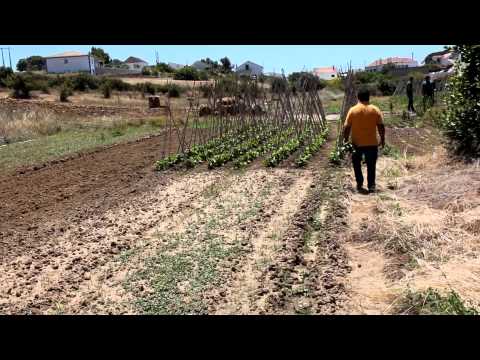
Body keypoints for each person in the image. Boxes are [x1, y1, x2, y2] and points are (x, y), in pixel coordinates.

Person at [343, 88, 385, 194]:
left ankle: (360, 184)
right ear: (369, 97)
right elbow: (381, 126)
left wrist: (345, 140)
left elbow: (347, 127)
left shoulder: (353, 110)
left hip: (357, 143)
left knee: (357, 164)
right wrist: (382, 139)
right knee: (371, 165)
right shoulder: (375, 109)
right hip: (372, 143)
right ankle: (371, 186)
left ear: (358, 97)